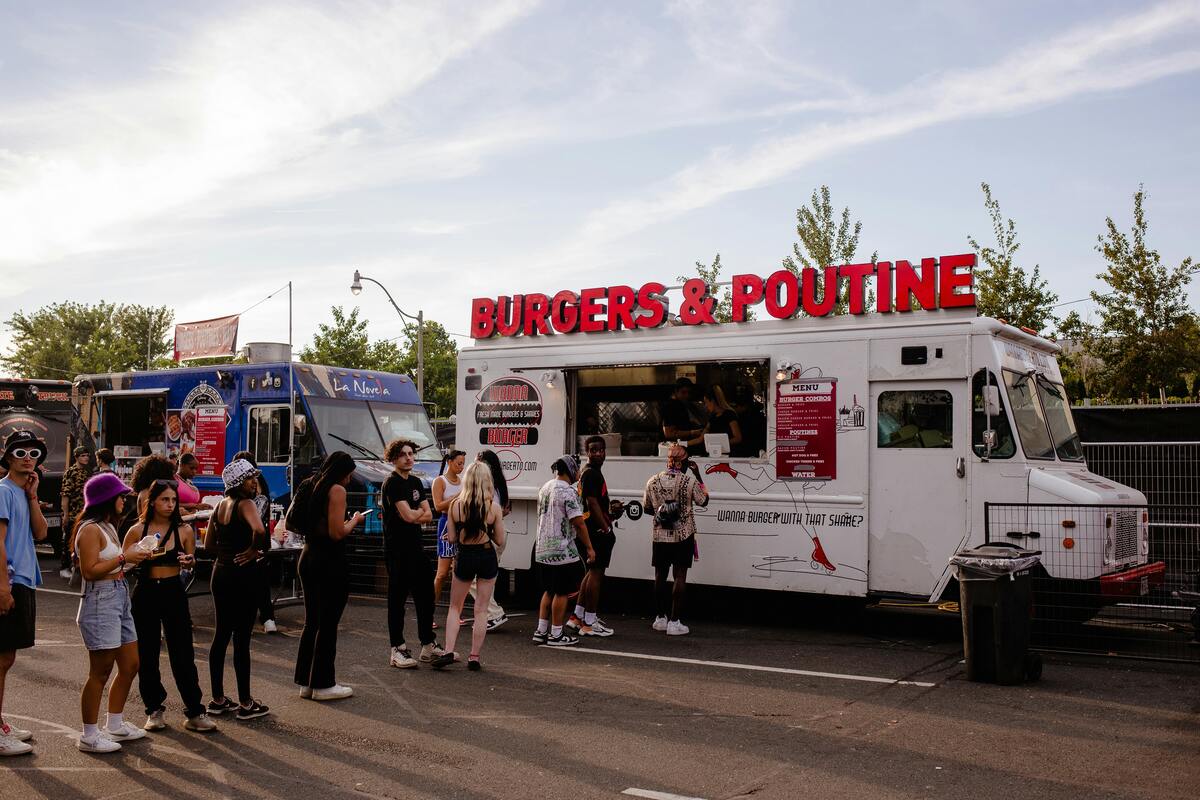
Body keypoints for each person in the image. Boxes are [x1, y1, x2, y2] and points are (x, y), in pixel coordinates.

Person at [124, 479, 215, 733]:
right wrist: (135, 557)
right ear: (152, 501)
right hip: (146, 592)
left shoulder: (183, 530)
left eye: (173, 500)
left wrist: (189, 561)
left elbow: (191, 561)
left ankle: (195, 710)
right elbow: (124, 563)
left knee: (183, 652)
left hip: (174, 590)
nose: (170, 504)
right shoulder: (137, 530)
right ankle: (154, 710)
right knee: (147, 653)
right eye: (165, 499)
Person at [73, 472, 150, 752]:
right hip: (100, 600)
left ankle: (114, 724)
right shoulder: (90, 529)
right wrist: (123, 557)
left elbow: (115, 565)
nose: (124, 500)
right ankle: (89, 735)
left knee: (130, 664)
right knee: (101, 670)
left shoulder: (107, 526)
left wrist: (134, 558)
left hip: (118, 595)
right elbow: (89, 571)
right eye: (120, 496)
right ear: (106, 498)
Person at [293, 452, 366, 701]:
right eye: (349, 474)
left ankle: (306, 682)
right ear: (342, 472)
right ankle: (324, 683)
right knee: (328, 623)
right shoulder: (336, 491)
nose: (349, 479)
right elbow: (337, 532)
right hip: (329, 561)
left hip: (308, 556)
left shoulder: (310, 484)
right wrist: (354, 521)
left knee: (312, 621)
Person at [204, 459, 271, 720]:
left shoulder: (220, 505)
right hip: (243, 576)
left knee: (221, 635)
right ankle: (245, 703)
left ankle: (218, 699)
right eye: (249, 478)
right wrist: (254, 550)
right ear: (237, 483)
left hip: (220, 573)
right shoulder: (246, 504)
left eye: (254, 477)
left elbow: (209, 543)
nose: (254, 482)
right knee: (241, 639)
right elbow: (259, 530)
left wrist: (226, 553)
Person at [0, 431, 50, 756]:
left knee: (7, 658)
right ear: (7, 457)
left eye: (33, 452)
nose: (27, 457)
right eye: (20, 452)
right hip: (10, 581)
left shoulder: (21, 492)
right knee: (1, 658)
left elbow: (42, 532)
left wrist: (33, 496)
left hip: (25, 581)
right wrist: (2, 587)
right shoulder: (2, 491)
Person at [432, 462, 506, 670]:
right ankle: (474, 657)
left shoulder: (456, 505)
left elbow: (453, 538)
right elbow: (500, 540)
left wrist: (455, 534)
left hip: (465, 556)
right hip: (485, 555)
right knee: (481, 610)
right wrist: (488, 531)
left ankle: (448, 650)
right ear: (486, 481)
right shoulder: (493, 507)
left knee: (455, 607)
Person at [380, 440, 443, 669]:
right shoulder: (392, 483)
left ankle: (428, 645)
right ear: (394, 458)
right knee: (397, 601)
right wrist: (418, 513)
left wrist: (416, 513)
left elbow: (429, 514)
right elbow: (408, 516)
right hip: (397, 550)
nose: (409, 457)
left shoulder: (416, 481)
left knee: (426, 597)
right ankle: (397, 649)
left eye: (411, 453)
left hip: (417, 549)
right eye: (403, 454)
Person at [643, 443, 709, 636]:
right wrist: (698, 475)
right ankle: (675, 621)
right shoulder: (689, 482)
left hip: (660, 536)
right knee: (679, 576)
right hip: (683, 536)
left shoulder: (652, 481)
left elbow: (647, 508)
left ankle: (660, 618)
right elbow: (704, 500)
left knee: (659, 576)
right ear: (684, 462)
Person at [532, 455, 593, 647]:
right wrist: (590, 547)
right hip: (561, 550)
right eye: (576, 469)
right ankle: (556, 634)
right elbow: (578, 522)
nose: (578, 473)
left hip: (542, 549)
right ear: (570, 470)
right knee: (561, 592)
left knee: (548, 590)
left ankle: (541, 630)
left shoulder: (545, 487)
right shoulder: (568, 492)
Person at [567, 436, 623, 637]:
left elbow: (595, 501)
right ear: (586, 452)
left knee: (590, 573)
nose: (598, 453)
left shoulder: (588, 472)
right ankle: (590, 622)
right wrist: (606, 528)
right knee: (597, 574)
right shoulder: (592, 474)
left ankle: (576, 617)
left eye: (601, 450)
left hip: (590, 530)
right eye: (593, 450)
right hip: (596, 531)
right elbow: (592, 503)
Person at [231, 450, 277, 635]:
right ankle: (267, 618)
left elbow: (256, 522)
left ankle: (264, 618)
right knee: (258, 581)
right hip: (258, 541)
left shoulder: (253, 490)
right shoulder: (258, 485)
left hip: (250, 541)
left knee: (254, 580)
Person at [472, 450, 510, 630]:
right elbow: (503, 511)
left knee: (474, 579)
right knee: (489, 579)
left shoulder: (488, 487)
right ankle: (488, 615)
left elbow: (488, 514)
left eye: (479, 463)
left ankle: (495, 614)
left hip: (490, 536)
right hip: (500, 533)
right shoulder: (499, 485)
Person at [431, 450, 466, 607]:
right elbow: (438, 506)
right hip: (446, 522)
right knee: (442, 573)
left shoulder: (462, 481)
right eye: (459, 463)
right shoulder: (440, 481)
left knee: (457, 573)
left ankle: (455, 611)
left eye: (463, 464)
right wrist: (456, 497)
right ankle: (429, 610)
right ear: (450, 462)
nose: (462, 467)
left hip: (460, 524)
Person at [59, 446, 93, 579]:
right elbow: (65, 495)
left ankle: (75, 565)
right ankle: (64, 567)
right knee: (69, 541)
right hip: (73, 513)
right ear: (76, 457)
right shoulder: (71, 472)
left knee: (80, 541)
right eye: (83, 455)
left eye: (87, 455)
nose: (86, 458)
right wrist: (65, 514)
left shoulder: (86, 472)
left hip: (83, 512)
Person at [692, 385, 742, 455]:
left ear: (712, 401)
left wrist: (720, 443)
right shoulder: (712, 417)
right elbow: (700, 439)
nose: (705, 406)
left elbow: (738, 438)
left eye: (706, 402)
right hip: (715, 454)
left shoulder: (729, 414)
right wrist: (683, 443)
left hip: (729, 455)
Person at [661, 377, 704, 454]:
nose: (687, 395)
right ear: (675, 391)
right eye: (683, 392)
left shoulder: (681, 404)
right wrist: (692, 432)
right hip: (670, 450)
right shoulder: (670, 406)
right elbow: (669, 433)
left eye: (689, 392)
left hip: (678, 450)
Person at [732, 386, 766, 458]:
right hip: (758, 449)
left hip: (747, 450)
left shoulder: (742, 418)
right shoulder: (758, 412)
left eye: (735, 406)